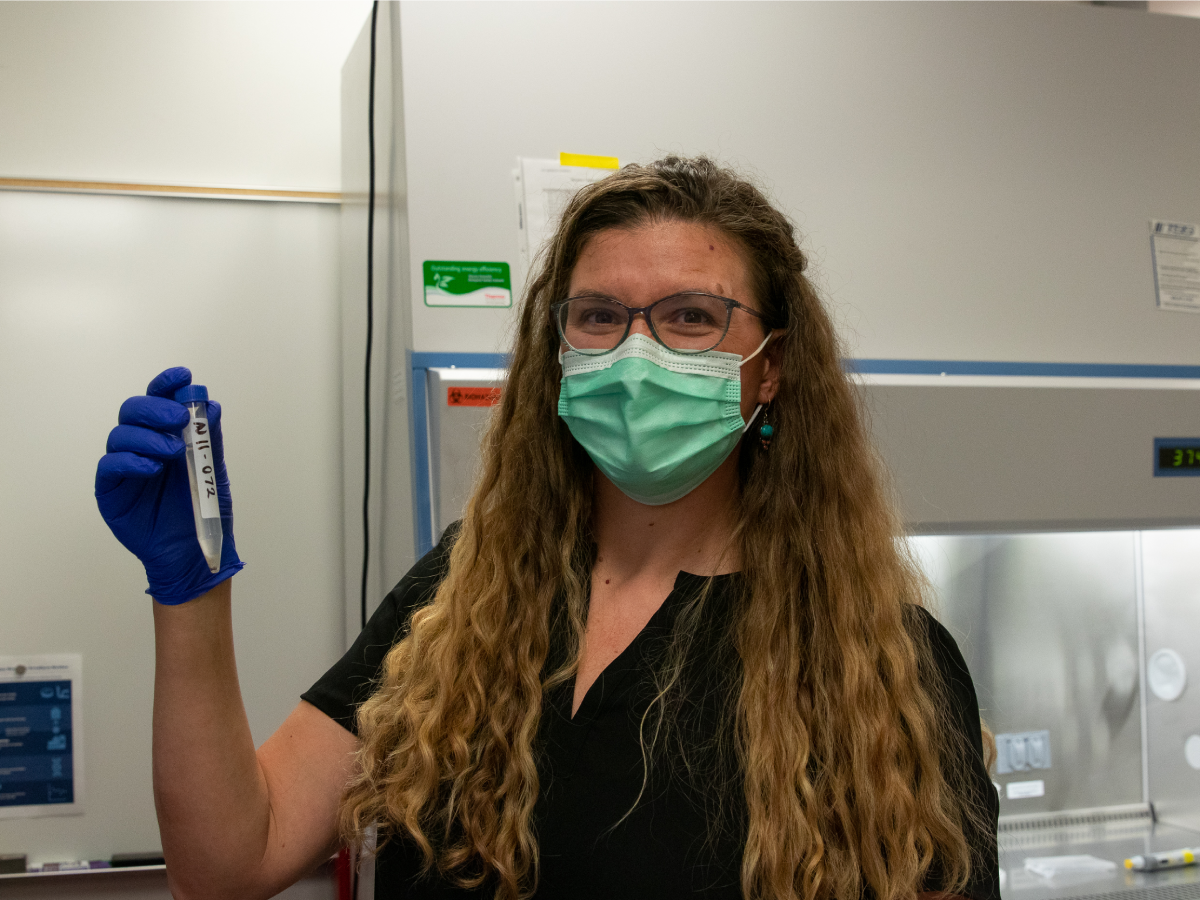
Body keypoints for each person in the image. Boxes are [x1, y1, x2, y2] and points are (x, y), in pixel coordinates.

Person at [96, 156, 999, 900]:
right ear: (558, 353)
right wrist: (192, 589)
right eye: (600, 316)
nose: (636, 353)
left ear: (773, 369)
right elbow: (227, 861)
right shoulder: (463, 596)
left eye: (692, 316)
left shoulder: (882, 667)